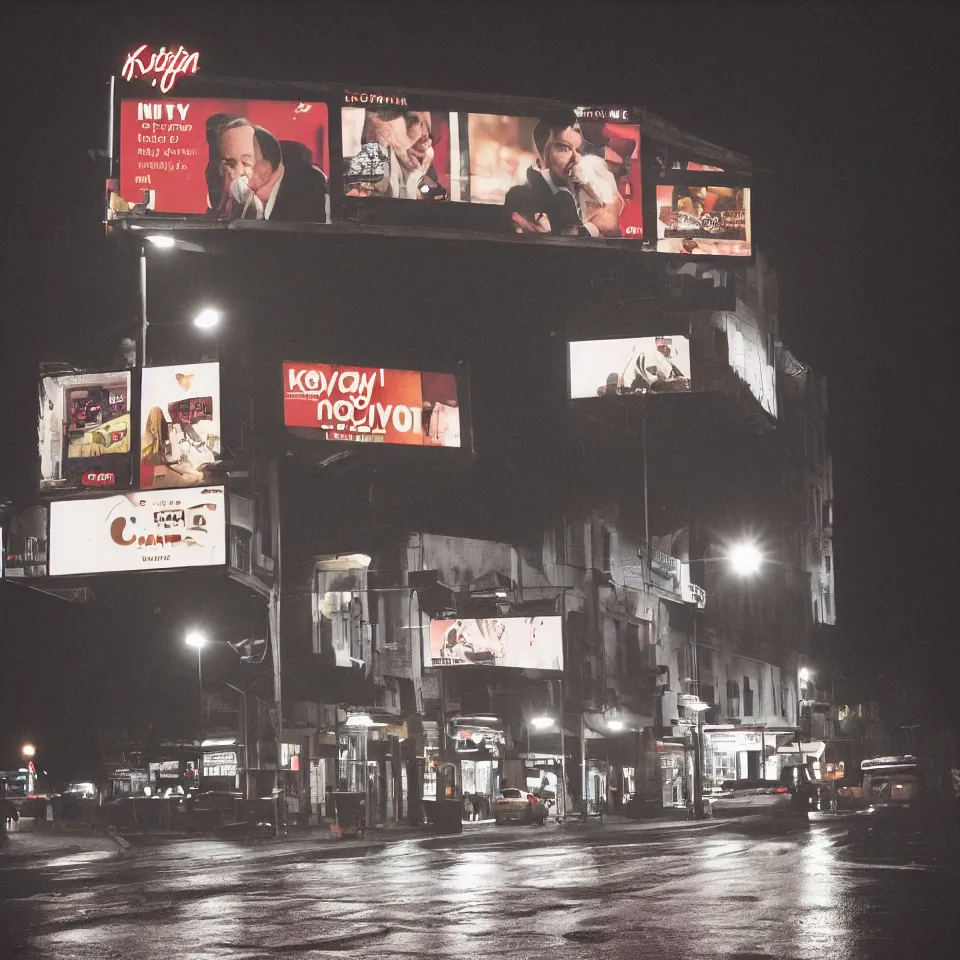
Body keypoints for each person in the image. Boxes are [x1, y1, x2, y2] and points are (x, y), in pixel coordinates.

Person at [503, 111, 623, 237]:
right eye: (564, 149)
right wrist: (593, 227)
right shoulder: (520, 197)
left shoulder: (586, 183)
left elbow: (610, 224)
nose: (576, 159)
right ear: (541, 152)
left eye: (577, 150)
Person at [216, 118, 327, 222]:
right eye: (231, 163)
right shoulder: (244, 201)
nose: (238, 173)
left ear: (266, 167)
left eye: (246, 163)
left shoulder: (303, 204)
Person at [344, 108, 440, 199]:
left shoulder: (428, 172)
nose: (425, 136)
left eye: (428, 127)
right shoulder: (364, 169)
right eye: (412, 121)